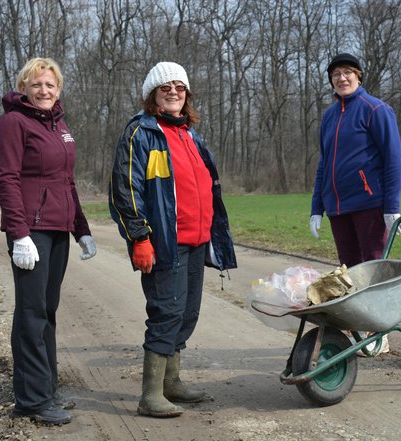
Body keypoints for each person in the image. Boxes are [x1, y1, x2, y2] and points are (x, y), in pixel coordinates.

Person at [109, 61, 237, 418]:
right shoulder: (142, 133)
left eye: (180, 87)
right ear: (153, 94)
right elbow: (126, 189)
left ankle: (171, 382)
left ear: (187, 95)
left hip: (197, 241)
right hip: (164, 242)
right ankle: (150, 395)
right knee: (166, 311)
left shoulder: (190, 134)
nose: (173, 92)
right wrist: (139, 237)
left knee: (187, 312)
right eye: (165, 87)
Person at [0, 57, 97, 425]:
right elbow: (7, 181)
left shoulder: (60, 126)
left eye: (50, 85)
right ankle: (31, 400)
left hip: (57, 230)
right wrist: (19, 235)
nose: (44, 90)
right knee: (31, 313)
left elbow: (67, 182)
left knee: (47, 311)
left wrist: (80, 228)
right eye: (36, 84)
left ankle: (47, 388)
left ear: (59, 88)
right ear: (24, 87)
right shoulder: (12, 124)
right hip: (31, 231)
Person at [310, 53, 401, 354]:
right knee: (349, 274)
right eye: (336, 74)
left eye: (348, 72)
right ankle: (358, 328)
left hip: (370, 204)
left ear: (359, 76)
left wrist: (391, 205)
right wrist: (317, 207)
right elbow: (324, 164)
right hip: (339, 207)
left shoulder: (375, 109)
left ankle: (380, 331)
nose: (342, 78)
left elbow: (393, 158)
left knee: (373, 270)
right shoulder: (329, 116)